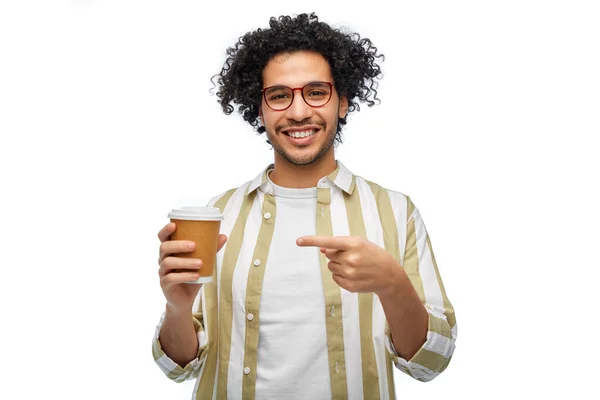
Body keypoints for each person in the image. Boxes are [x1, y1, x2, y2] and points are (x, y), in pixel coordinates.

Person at [153, 12, 457, 400]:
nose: (298, 112)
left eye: (316, 92)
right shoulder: (220, 213)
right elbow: (179, 366)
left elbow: (433, 361)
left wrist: (392, 284)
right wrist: (178, 308)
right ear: (259, 110)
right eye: (279, 96)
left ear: (343, 102)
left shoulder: (395, 212)